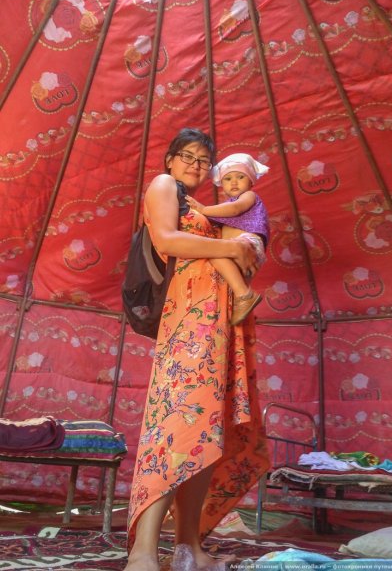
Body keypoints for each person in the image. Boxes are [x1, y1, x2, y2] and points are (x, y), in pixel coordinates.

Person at [123, 128, 270, 571]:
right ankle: (143, 553)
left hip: (221, 326)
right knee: (172, 428)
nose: (195, 165)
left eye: (204, 161)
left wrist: (242, 251)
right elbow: (168, 240)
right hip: (188, 323)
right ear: (170, 160)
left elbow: (234, 250)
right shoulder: (163, 185)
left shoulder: (203, 207)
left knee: (206, 434)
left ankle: (188, 549)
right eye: (187, 156)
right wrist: (230, 248)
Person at [186, 153, 270, 326]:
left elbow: (235, 209)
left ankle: (245, 295)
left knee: (214, 252)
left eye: (240, 177)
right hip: (237, 251)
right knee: (228, 286)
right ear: (221, 184)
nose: (234, 182)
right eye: (228, 179)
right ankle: (241, 303)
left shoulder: (248, 197)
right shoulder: (226, 206)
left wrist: (203, 209)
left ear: (251, 181)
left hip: (248, 243)